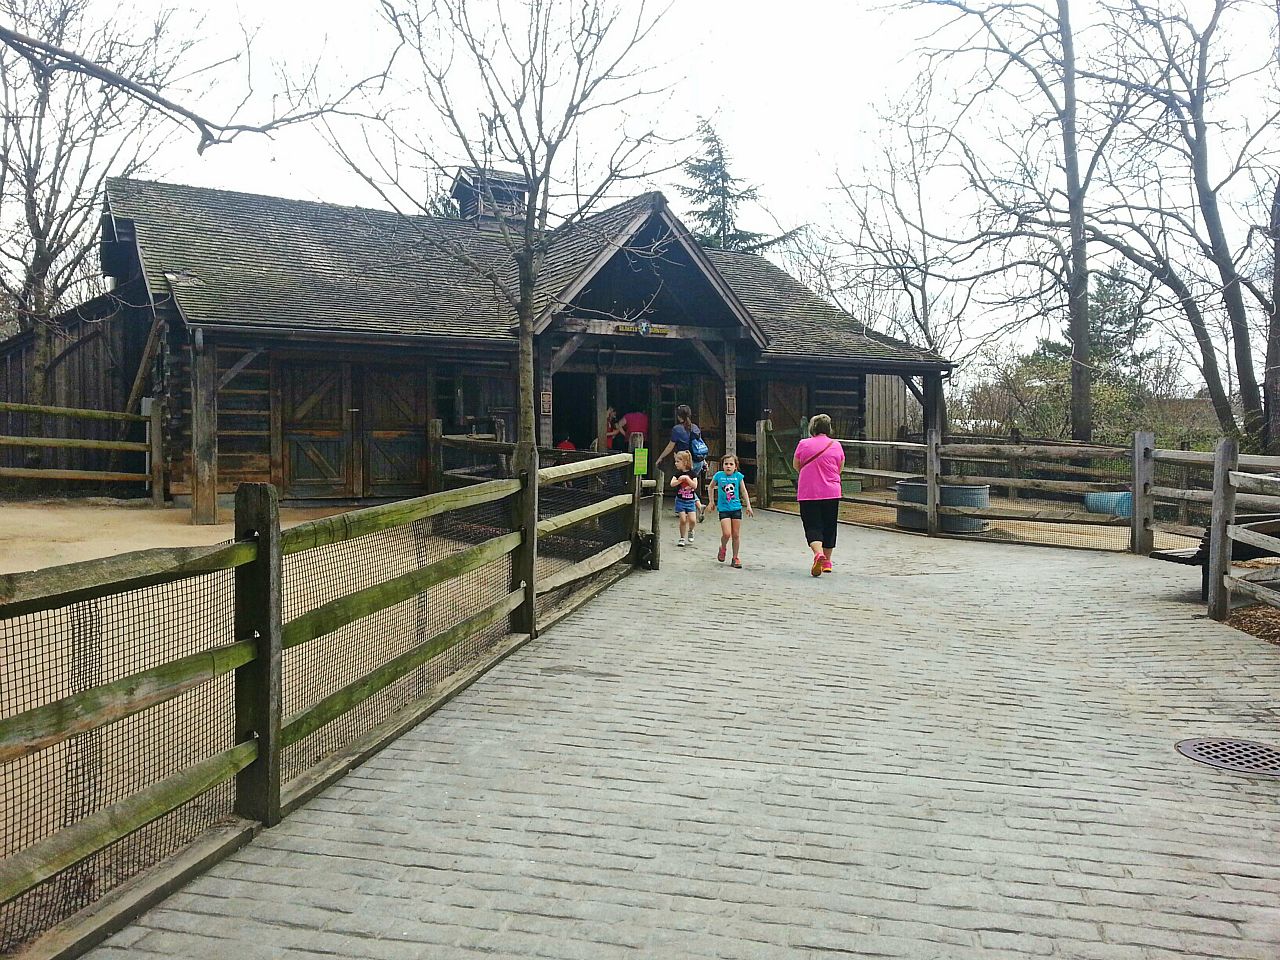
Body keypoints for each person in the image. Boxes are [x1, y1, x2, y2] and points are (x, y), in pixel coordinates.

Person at [793, 413, 846, 577]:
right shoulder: (836, 445)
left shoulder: (803, 444)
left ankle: (818, 554)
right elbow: (840, 468)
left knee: (812, 525)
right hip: (832, 492)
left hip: (809, 492)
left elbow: (796, 465)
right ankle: (828, 562)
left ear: (812, 428)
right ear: (828, 428)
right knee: (830, 526)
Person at [657, 404, 708, 519]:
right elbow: (700, 446)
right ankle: (697, 506)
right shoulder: (695, 427)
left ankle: (684, 508)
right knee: (688, 486)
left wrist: (661, 457)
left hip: (686, 462)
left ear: (679, 416)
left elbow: (670, 446)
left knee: (682, 485)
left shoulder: (677, 429)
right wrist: (704, 461)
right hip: (698, 461)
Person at [710, 453, 753, 569]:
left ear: (735, 466)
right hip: (723, 509)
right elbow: (711, 487)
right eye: (726, 464)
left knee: (736, 534)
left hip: (736, 508)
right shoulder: (719, 476)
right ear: (722, 465)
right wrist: (711, 501)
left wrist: (748, 505)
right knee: (726, 533)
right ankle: (723, 547)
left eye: (731, 464)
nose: (728, 466)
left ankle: (735, 557)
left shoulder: (738, 476)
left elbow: (743, 491)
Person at [669, 449, 699, 546]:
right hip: (680, 500)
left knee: (693, 520)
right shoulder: (677, 474)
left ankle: (690, 530)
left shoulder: (692, 474)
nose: (676, 463)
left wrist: (687, 479)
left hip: (690, 501)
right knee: (682, 519)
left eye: (678, 461)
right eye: (676, 461)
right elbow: (672, 484)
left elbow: (694, 486)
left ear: (685, 462)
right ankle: (682, 537)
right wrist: (679, 481)